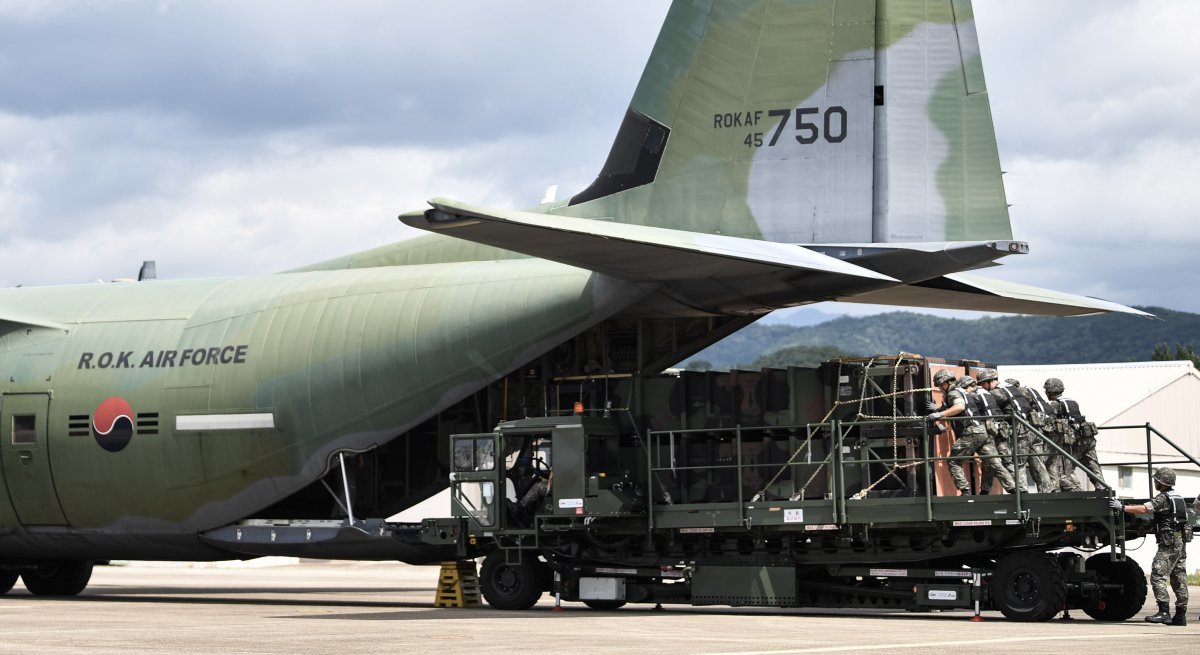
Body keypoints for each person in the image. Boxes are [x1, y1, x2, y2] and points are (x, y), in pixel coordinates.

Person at [1111, 466, 1189, 626]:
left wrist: (1122, 507)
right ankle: (1181, 615)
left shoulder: (1163, 498)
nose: (1154, 482)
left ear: (1162, 482)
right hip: (1179, 542)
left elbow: (1144, 508)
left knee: (1157, 575)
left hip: (1168, 543)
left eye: (1156, 480)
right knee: (1179, 576)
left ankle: (1164, 612)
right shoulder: (1178, 498)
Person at [927, 372, 1015, 496]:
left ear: (945, 383)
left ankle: (965, 491)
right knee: (994, 463)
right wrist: (938, 410)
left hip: (971, 433)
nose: (940, 389)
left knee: (954, 461)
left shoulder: (952, 393)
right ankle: (1015, 490)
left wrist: (939, 414)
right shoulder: (962, 391)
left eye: (940, 386)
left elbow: (960, 407)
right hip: (982, 431)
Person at [985, 373, 1055, 493]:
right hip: (1034, 427)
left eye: (983, 384)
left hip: (1021, 430)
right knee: (1038, 463)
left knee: (1019, 464)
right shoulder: (1016, 389)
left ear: (990, 381)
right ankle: (1048, 492)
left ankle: (1022, 494)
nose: (983, 387)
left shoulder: (996, 393)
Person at [1044, 378, 1102, 489]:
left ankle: (1077, 491)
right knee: (1092, 464)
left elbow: (1049, 420)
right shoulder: (1072, 401)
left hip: (1073, 441)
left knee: (1066, 471)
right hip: (1086, 436)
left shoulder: (1055, 404)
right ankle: (1102, 487)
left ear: (1049, 391)